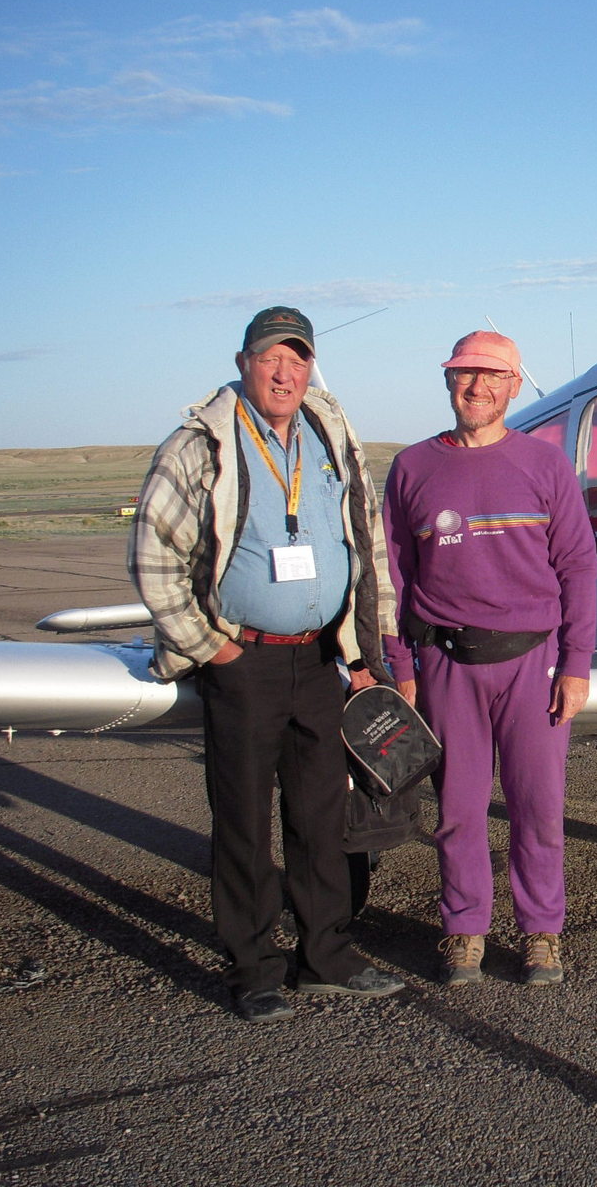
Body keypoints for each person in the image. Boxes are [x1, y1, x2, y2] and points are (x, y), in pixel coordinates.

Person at [130, 306, 405, 1023]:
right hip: (241, 660)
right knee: (244, 822)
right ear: (243, 362)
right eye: (271, 358)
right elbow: (154, 553)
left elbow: (365, 540)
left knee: (322, 818)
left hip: (318, 660)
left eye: (298, 359)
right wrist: (210, 646)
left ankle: (326, 957)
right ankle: (253, 968)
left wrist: (364, 654)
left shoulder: (330, 434)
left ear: (311, 367)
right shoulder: (199, 444)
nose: (285, 373)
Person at [382, 331, 597, 986]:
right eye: (464, 374)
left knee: (539, 808)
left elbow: (577, 565)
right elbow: (393, 577)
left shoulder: (545, 465)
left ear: (513, 385)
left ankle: (541, 932)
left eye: (492, 376)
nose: (477, 387)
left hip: (533, 663)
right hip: (447, 664)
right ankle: (464, 930)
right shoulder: (412, 468)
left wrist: (576, 664)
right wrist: (402, 668)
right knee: (458, 811)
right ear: (448, 381)